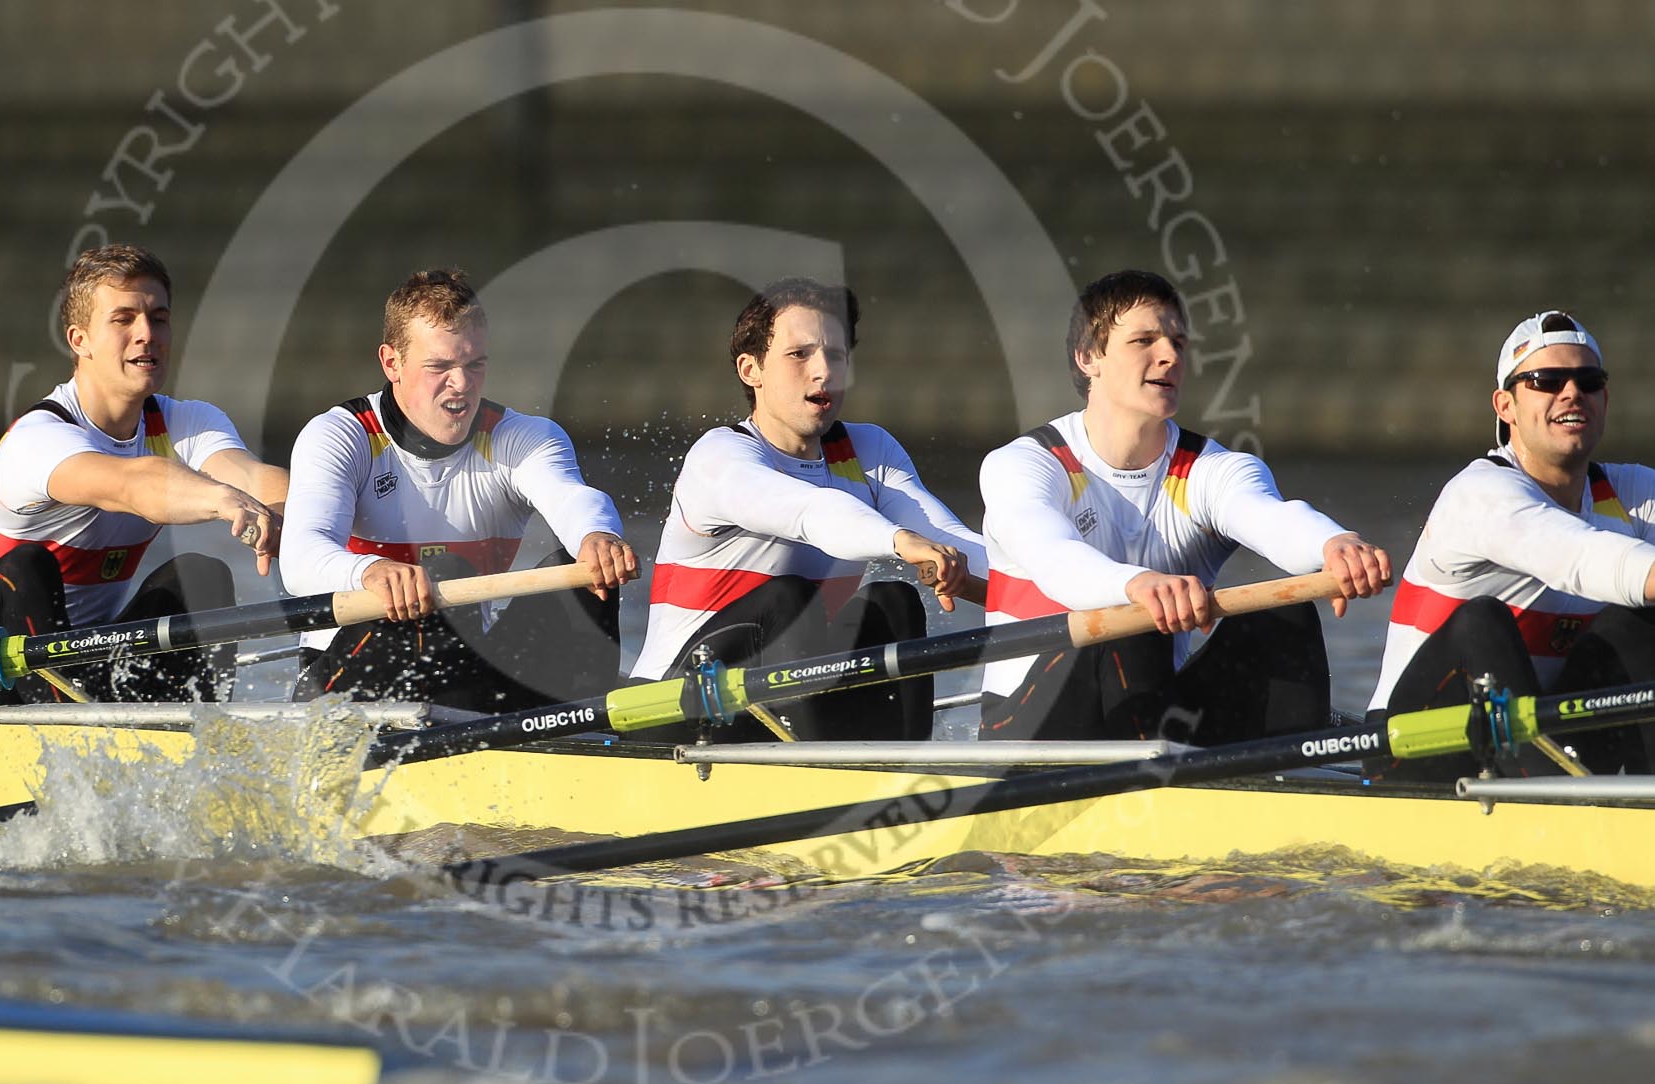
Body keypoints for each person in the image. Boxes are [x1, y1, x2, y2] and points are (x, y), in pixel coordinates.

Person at [975, 269, 1389, 745]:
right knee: (1128, 618)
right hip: (1027, 725)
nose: (1169, 356)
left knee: (1286, 617)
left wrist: (1332, 544)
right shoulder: (1025, 464)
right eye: (1144, 340)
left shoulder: (1212, 470)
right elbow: (1054, 559)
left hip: (1152, 711)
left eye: (1177, 341)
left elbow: (1269, 517)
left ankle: (1287, 786)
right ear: (1089, 357)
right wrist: (1138, 583)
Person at [629, 277, 986, 742]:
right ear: (750, 369)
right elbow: (809, 512)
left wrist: (1093, 593)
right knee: (789, 597)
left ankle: (904, 774)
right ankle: (820, 773)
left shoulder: (870, 450)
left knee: (893, 601)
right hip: (670, 711)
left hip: (777, 703)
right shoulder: (718, 457)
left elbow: (954, 541)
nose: (823, 372)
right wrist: (898, 539)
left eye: (835, 356)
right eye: (799, 355)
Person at [280, 268, 638, 713]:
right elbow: (300, 559)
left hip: (467, 672)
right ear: (392, 363)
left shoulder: (522, 437)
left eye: (475, 365)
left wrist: (595, 536)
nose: (462, 385)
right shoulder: (341, 436)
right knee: (446, 569)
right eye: (440, 366)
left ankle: (578, 736)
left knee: (583, 572)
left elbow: (571, 498)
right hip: (345, 676)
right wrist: (371, 572)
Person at [0, 245, 286, 702]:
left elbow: (253, 477)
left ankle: (199, 740)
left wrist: (292, 515)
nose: (147, 334)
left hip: (87, 663)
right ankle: (62, 735)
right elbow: (135, 484)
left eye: (158, 318)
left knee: (201, 575)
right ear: (79, 339)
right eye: (123, 319)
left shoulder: (190, 421)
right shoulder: (37, 440)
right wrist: (222, 500)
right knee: (29, 566)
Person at [1368, 310, 1655, 780]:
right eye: (1547, 380)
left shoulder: (1635, 494)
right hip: (1414, 749)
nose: (1571, 393)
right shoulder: (1480, 495)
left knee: (1640, 623)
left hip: (1545, 742)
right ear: (1505, 406)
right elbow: (1585, 558)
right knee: (1481, 620)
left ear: (1604, 397)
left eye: (1588, 381)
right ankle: (1549, 798)